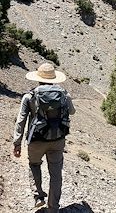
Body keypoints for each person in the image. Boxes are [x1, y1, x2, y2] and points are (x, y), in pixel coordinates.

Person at [13, 63, 75, 213]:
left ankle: (39, 197)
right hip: (58, 140)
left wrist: (17, 143)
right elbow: (72, 112)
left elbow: (21, 120)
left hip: (36, 140)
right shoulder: (64, 94)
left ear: (38, 78)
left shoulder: (30, 96)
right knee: (56, 174)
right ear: (54, 78)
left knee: (34, 165)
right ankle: (53, 208)